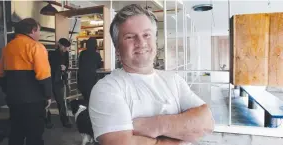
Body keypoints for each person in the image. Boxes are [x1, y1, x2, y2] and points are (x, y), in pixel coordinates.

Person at [89, 4, 215, 145]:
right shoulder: (107, 89)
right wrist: (180, 135)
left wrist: (154, 125)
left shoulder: (174, 80)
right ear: (117, 49)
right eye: (130, 37)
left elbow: (207, 122)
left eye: (146, 35)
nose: (141, 42)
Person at [0, 18, 52, 145]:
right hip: (34, 101)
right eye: (39, 31)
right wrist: (48, 96)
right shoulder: (36, 47)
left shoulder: (8, 47)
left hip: (14, 100)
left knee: (16, 133)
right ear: (32, 30)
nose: (39, 34)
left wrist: (9, 90)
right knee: (34, 135)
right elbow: (43, 75)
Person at [47, 38, 72, 128]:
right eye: (65, 47)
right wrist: (58, 67)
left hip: (59, 80)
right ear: (60, 45)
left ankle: (65, 121)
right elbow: (48, 67)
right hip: (50, 79)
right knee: (47, 102)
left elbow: (67, 65)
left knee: (61, 102)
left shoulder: (66, 54)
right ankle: (47, 121)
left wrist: (65, 68)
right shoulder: (51, 54)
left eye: (67, 48)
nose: (66, 49)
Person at [78, 37, 103, 102]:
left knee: (86, 98)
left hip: (81, 80)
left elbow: (79, 64)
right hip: (91, 80)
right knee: (91, 99)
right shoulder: (96, 54)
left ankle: (85, 110)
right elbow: (100, 65)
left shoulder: (82, 53)